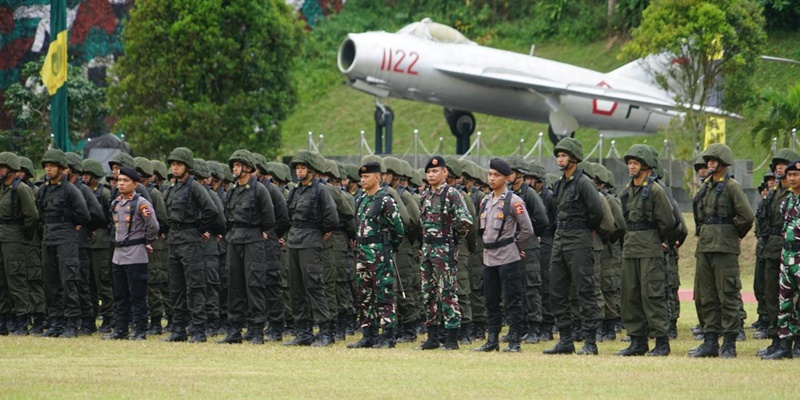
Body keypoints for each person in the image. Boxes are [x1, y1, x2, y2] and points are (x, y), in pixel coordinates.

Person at [691, 143, 754, 358]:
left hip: (724, 248)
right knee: (705, 295)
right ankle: (710, 341)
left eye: (713, 160)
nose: (709, 163)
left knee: (727, 294)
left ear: (723, 163)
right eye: (708, 160)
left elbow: (747, 216)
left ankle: (729, 342)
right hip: (705, 246)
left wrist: (732, 234)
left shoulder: (731, 186)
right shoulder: (705, 186)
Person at [543, 138, 604, 356]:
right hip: (560, 238)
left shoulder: (584, 183)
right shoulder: (559, 184)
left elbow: (597, 212)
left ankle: (590, 341)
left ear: (574, 158)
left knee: (584, 289)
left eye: (564, 155)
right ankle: (565, 340)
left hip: (579, 239)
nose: (560, 159)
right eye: (558, 155)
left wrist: (585, 229)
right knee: (557, 289)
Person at [614, 145, 675, 356]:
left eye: (636, 163)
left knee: (652, 295)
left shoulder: (656, 190)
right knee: (630, 296)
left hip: (649, 248)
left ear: (646, 166)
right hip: (630, 248)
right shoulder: (627, 191)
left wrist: (657, 239)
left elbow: (668, 221)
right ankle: (637, 341)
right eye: (629, 163)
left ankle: (661, 342)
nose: (631, 167)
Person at [473, 158, 533, 352]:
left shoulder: (514, 201)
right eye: (490, 174)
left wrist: (516, 247)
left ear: (507, 178)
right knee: (491, 300)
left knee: (513, 300)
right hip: (489, 257)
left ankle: (514, 340)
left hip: (508, 256)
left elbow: (527, 229)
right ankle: (492, 339)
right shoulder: (485, 201)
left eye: (496, 175)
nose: (491, 178)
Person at [161, 147, 221, 343]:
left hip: (189, 240)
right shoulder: (173, 187)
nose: (174, 168)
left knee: (195, 286)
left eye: (178, 164)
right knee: (176, 286)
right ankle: (179, 328)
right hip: (174, 240)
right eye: (173, 164)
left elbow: (211, 210)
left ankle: (198, 329)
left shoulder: (194, 186)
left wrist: (199, 229)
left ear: (187, 167)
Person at [216, 150, 275, 345]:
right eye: (233, 165)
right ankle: (234, 330)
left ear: (248, 168)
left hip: (253, 240)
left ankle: (257, 330)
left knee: (254, 285)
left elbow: (269, 219)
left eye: (238, 164)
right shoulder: (232, 190)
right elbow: (227, 216)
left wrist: (258, 231)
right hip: (235, 240)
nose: (234, 168)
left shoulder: (259, 190)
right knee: (234, 285)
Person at [416, 156, 473, 351]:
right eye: (429, 172)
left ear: (445, 172)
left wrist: (453, 237)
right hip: (427, 249)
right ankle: (432, 336)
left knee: (447, 292)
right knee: (428, 293)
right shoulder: (424, 196)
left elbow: (465, 221)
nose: (431, 175)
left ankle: (451, 338)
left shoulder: (452, 194)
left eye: (435, 171)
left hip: (444, 249)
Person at [283, 151, 339, 347]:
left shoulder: (321, 190)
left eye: (303, 168)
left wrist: (320, 232)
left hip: (310, 241)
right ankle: (303, 332)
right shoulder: (296, 190)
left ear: (312, 170)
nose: (299, 171)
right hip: (294, 241)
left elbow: (332, 217)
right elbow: (288, 215)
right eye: (297, 168)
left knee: (314, 286)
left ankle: (325, 332)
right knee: (296, 288)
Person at [347, 161, 404, 348]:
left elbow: (398, 230)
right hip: (363, 255)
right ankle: (368, 334)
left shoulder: (385, 200)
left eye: (366, 176)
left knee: (384, 295)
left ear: (377, 177)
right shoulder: (361, 200)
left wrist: (387, 247)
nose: (362, 180)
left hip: (380, 254)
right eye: (361, 177)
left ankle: (388, 335)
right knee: (365, 295)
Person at [36, 149, 91, 338]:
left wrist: (71, 225)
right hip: (49, 237)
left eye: (52, 166)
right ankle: (55, 322)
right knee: (51, 282)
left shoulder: (71, 190)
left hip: (66, 238)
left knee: (69, 280)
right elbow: (40, 214)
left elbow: (84, 214)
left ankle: (71, 322)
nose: (48, 169)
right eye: (46, 166)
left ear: (62, 169)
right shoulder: (43, 190)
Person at [103, 167, 159, 340]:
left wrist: (145, 241)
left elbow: (153, 226)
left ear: (135, 184)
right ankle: (121, 329)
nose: (120, 183)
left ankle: (140, 330)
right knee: (119, 295)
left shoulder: (141, 203)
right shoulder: (116, 203)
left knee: (137, 295)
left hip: (135, 254)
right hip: (118, 255)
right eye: (119, 180)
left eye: (125, 181)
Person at [758, 149, 799, 358]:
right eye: (789, 174)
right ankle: (782, 344)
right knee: (781, 301)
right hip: (784, 256)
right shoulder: (784, 200)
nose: (791, 177)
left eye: (795, 174)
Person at [0, 152, 39, 335]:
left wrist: (22, 236)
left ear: (12, 169)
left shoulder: (21, 189)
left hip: (15, 239)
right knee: (2, 281)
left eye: (2, 167)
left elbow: (32, 216)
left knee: (16, 280)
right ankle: (4, 318)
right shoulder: (1, 188)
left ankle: (22, 319)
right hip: (2, 238)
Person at [81, 159, 114, 334]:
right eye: (83, 174)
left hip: (102, 242)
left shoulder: (105, 193)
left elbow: (110, 218)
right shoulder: (83, 191)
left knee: (104, 281)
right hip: (88, 242)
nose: (84, 177)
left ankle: (109, 317)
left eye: (88, 174)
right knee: (89, 283)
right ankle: (91, 317)